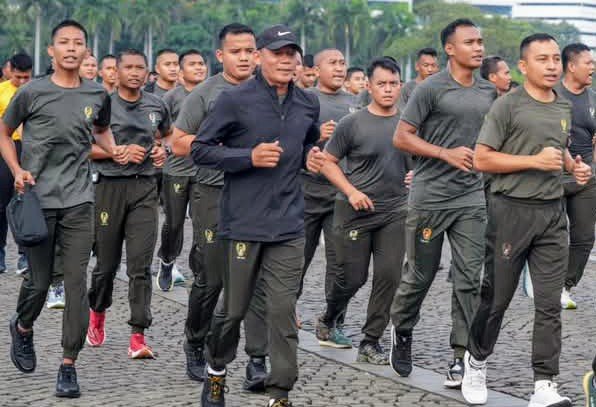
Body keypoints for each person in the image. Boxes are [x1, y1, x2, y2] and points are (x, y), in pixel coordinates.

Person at [194, 24, 321, 407]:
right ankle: (216, 370)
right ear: (261, 56)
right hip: (244, 222)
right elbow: (200, 150)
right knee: (233, 310)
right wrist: (247, 157)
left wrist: (311, 158)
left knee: (283, 311)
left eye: (291, 55)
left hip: (288, 223)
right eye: (278, 53)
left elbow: (308, 142)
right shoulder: (235, 100)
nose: (286, 61)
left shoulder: (307, 103)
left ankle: (280, 391)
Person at [461, 33, 590, 407]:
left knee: (549, 304)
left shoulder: (562, 106)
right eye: (542, 59)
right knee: (497, 298)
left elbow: (559, 149)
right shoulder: (507, 106)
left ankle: (544, 384)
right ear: (523, 66)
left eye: (554, 59)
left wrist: (573, 167)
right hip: (510, 212)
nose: (551, 66)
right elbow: (482, 159)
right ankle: (476, 359)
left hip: (552, 214)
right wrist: (533, 162)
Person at [0, 19, 126, 398]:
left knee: (75, 285)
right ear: (51, 52)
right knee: (39, 284)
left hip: (79, 202)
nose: (71, 48)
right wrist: (17, 169)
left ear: (87, 51)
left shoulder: (96, 93)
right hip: (37, 200)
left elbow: (101, 129)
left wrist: (113, 147)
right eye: (64, 43)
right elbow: (4, 133)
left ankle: (68, 364)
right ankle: (22, 327)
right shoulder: (32, 92)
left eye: (78, 43)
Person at [390, 19, 496, 390]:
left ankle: (460, 356)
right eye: (470, 42)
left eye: (480, 41)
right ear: (450, 49)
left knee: (470, 279)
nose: (478, 48)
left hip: (470, 197)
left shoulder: (488, 91)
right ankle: (402, 329)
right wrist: (444, 154)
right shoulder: (430, 89)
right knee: (420, 274)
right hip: (430, 197)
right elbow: (402, 137)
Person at [168, 23, 269, 389]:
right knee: (212, 277)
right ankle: (196, 342)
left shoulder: (271, 90)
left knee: (256, 277)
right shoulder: (206, 94)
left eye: (250, 51)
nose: (244, 57)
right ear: (220, 55)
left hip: (260, 194)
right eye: (236, 51)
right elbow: (179, 144)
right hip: (213, 191)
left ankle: (257, 358)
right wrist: (232, 150)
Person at [314, 57, 410, 364]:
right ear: (368, 86)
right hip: (354, 211)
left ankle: (371, 341)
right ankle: (330, 316)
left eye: (393, 84)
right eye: (381, 84)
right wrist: (351, 191)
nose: (388, 90)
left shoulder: (409, 125)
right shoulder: (351, 124)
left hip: (395, 211)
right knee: (352, 277)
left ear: (401, 86)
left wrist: (417, 174)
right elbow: (327, 162)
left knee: (389, 276)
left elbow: (423, 162)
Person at [86, 49, 168, 359]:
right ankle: (97, 311)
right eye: (128, 67)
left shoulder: (156, 105)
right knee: (106, 265)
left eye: (140, 68)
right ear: (115, 72)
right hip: (109, 187)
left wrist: (162, 152)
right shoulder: (101, 104)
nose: (134, 72)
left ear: (148, 73)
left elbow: (168, 138)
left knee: (140, 265)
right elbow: (84, 147)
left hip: (145, 188)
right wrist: (115, 152)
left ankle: (138, 334)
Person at [303, 48, 358, 348]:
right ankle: (283, 315)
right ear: (316, 68)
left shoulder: (356, 103)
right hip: (305, 194)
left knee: (341, 265)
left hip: (341, 197)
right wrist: (314, 135)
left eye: (342, 63)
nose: (339, 68)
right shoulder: (304, 100)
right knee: (295, 261)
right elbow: (285, 139)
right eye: (332, 63)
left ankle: (332, 322)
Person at [156, 49, 207, 291]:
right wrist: (164, 146)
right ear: (181, 70)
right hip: (176, 170)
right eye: (193, 64)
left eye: (201, 64)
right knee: (174, 223)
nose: (199, 68)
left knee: (202, 222)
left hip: (205, 170)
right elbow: (157, 131)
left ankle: (199, 269)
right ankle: (167, 260)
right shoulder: (171, 97)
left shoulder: (213, 94)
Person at [555, 43, 595, 309]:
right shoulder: (552, 95)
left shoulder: (593, 98)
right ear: (571, 66)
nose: (592, 67)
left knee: (584, 237)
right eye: (588, 63)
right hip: (553, 177)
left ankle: (565, 286)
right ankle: (544, 280)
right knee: (554, 236)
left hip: (585, 179)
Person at [0, 53, 32, 274]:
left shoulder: (34, 92)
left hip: (29, 150)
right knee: (1, 204)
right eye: (18, 76)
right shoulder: (1, 91)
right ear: (9, 69)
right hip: (5, 150)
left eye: (26, 77)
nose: (21, 82)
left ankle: (25, 256)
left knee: (26, 202)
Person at [398, 47, 439, 112]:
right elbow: (402, 113)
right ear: (417, 66)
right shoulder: (406, 89)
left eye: (433, 66)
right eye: (426, 65)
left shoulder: (442, 88)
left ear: (437, 68)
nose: (430, 69)